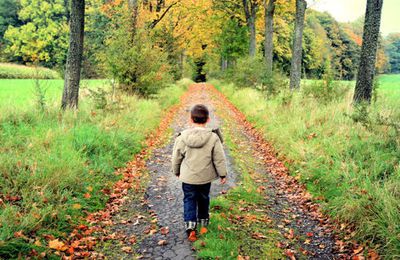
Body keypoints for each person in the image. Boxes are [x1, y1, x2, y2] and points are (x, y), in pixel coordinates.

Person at [172, 104, 227, 241]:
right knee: (203, 198)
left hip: (188, 178)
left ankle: (191, 227)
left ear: (190, 120)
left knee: (189, 199)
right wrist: (223, 174)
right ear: (208, 120)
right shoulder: (213, 137)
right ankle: (203, 224)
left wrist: (176, 171)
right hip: (205, 177)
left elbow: (176, 156)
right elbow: (219, 158)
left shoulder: (182, 137)